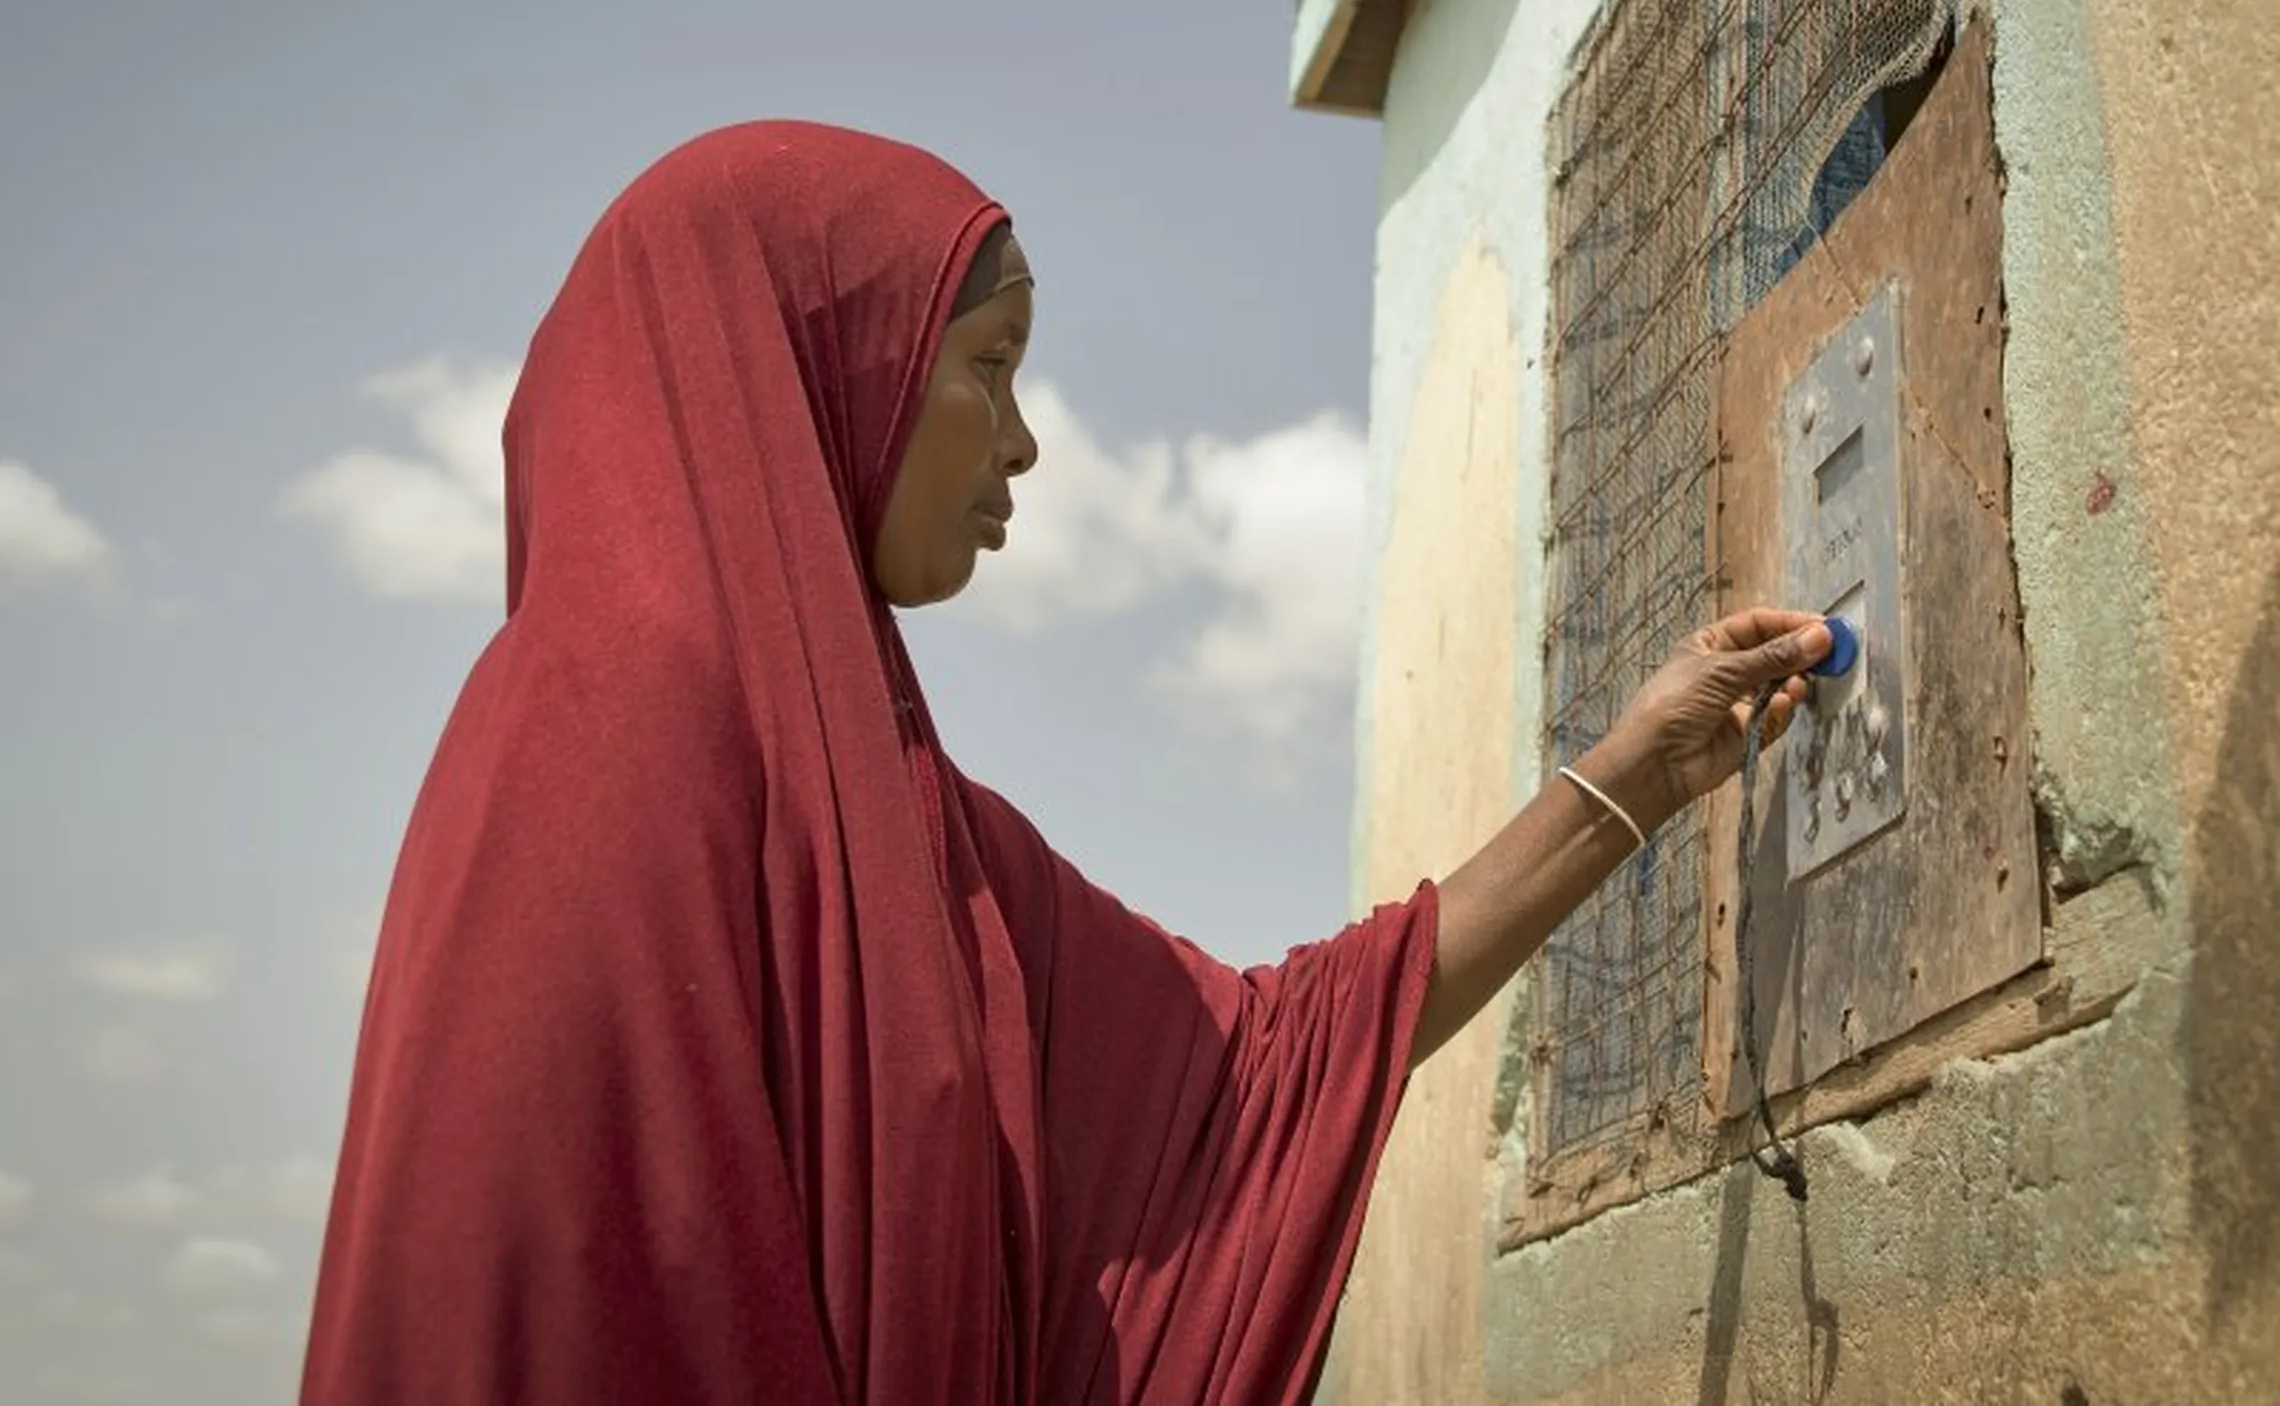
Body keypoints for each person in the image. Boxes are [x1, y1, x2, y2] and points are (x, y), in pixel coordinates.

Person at [300, 122, 1829, 1405]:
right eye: (989, 362)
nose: (1022, 440)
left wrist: (1644, 765)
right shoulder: (604, 740)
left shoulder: (915, 839)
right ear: (815, 368)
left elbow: (1259, 1071)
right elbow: (532, 1299)